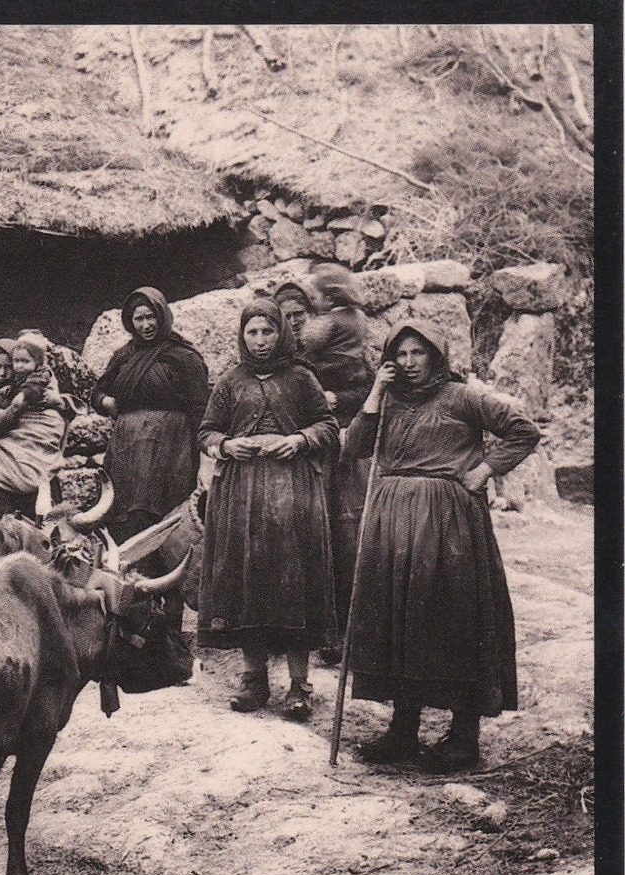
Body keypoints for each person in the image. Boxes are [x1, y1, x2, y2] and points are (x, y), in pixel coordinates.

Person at [345, 321, 540, 772]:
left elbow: (522, 430)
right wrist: (374, 393)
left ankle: (463, 737)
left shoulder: (463, 396)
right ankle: (403, 730)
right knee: (399, 618)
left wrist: (485, 469)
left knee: (452, 618)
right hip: (392, 520)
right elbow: (353, 447)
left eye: (419, 353)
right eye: (402, 354)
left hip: (448, 522)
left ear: (436, 354)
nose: (410, 363)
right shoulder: (388, 398)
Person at [198, 298, 339, 720]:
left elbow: (328, 426)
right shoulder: (229, 382)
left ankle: (299, 685)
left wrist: (299, 440)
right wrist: (224, 444)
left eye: (268, 331)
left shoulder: (300, 378)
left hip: (292, 494)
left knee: (293, 581)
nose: (260, 341)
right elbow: (206, 430)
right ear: (242, 335)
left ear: (282, 333)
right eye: (252, 332)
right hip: (240, 495)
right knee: (247, 580)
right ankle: (254, 677)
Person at [92, 287, 210, 637]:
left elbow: (201, 408)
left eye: (151, 317)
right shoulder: (124, 355)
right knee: (129, 522)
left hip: (171, 449)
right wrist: (111, 405)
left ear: (163, 316)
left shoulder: (182, 356)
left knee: (165, 525)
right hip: (128, 451)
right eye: (138, 319)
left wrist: (202, 457)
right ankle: (133, 618)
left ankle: (170, 626)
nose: (145, 325)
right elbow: (97, 392)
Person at [299, 265, 376, 664]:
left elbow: (302, 347)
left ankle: (339, 631)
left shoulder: (327, 325)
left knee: (338, 533)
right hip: (338, 433)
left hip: (337, 444)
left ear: (328, 296)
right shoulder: (358, 324)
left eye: (314, 294)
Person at [0, 335, 73, 521]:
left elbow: (62, 415)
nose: (4, 373)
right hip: (5, 469)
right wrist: (13, 410)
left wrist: (60, 403)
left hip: (40, 460)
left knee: (47, 522)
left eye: (9, 366)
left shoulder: (32, 386)